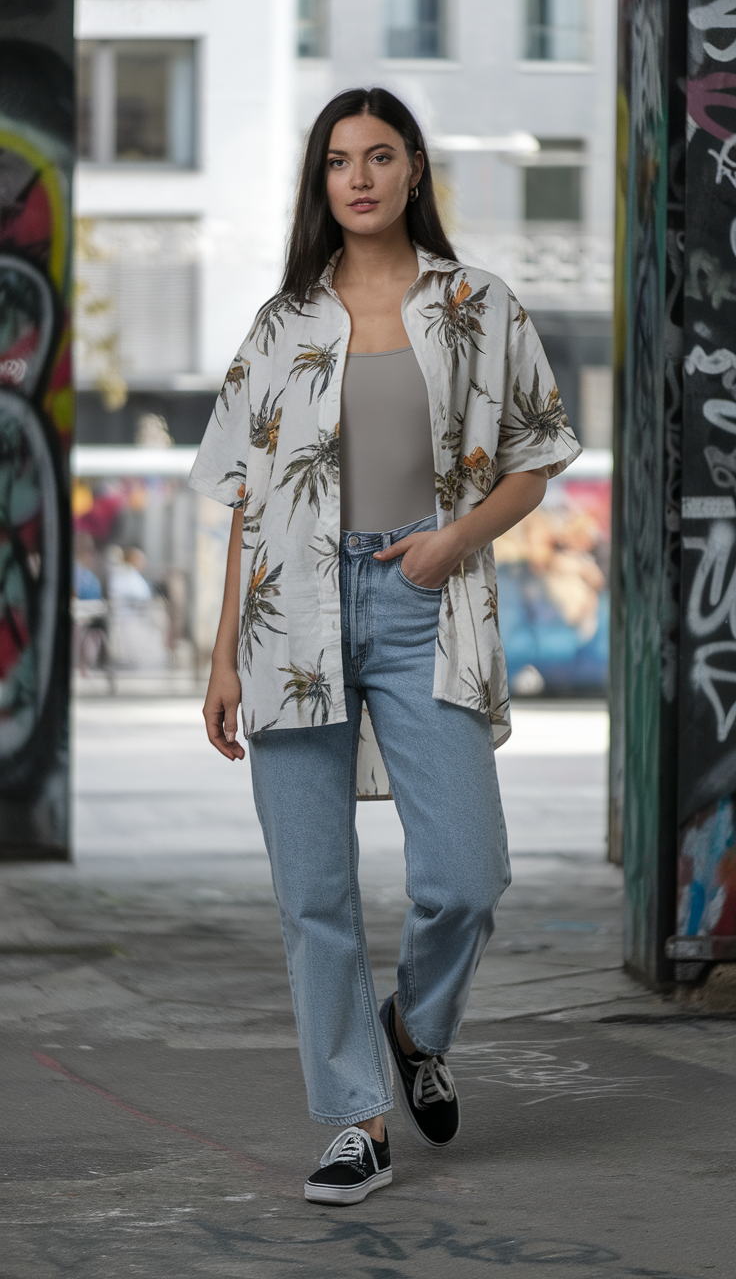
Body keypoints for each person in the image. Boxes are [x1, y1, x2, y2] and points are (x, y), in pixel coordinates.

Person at [189, 87, 581, 1205]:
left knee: (466, 875)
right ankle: (356, 1119)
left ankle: (414, 1020)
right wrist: (222, 656)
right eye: (336, 162)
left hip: (424, 601)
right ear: (320, 185)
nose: (356, 178)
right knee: (311, 891)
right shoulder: (281, 324)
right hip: (289, 616)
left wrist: (452, 539)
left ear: (414, 170)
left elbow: (537, 450)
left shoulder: (475, 304)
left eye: (378, 156)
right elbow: (246, 502)